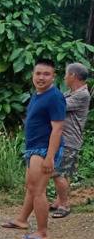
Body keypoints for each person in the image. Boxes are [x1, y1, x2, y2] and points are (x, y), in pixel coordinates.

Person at [1, 59, 65, 239]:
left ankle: (42, 232)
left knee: (38, 190)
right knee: (31, 187)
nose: (41, 77)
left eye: (46, 74)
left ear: (54, 76)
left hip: (44, 149)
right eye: (38, 73)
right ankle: (22, 220)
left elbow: (58, 129)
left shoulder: (54, 96)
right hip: (34, 148)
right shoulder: (38, 95)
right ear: (32, 75)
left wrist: (50, 157)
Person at [49, 63, 90, 219]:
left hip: (69, 140)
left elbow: (59, 106)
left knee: (57, 172)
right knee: (63, 173)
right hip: (65, 139)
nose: (64, 77)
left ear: (73, 76)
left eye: (66, 74)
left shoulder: (82, 95)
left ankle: (64, 205)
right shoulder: (70, 92)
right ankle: (58, 201)